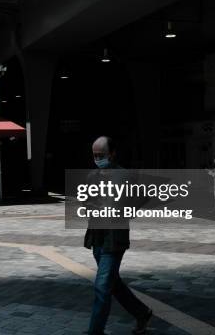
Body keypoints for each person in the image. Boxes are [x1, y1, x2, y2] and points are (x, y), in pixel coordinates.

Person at [84, 136, 152, 335]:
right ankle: (141, 313)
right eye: (95, 155)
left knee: (102, 287)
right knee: (112, 283)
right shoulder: (91, 176)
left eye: (101, 155)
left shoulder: (125, 176)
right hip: (97, 237)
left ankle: (95, 332)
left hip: (115, 240)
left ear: (112, 154)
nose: (98, 159)